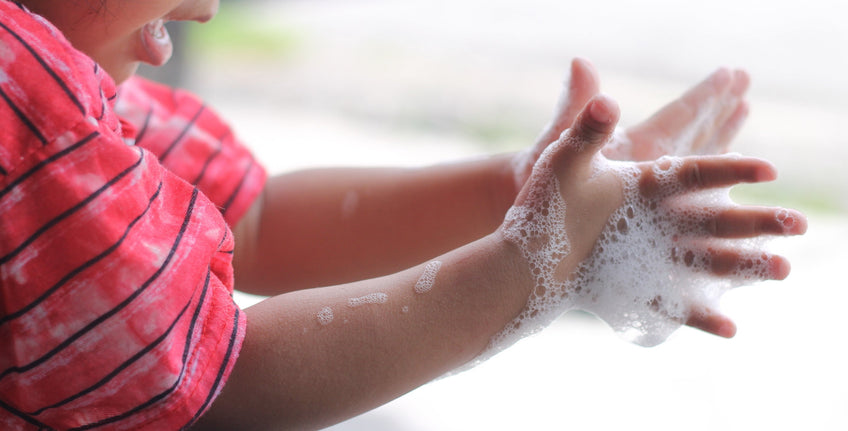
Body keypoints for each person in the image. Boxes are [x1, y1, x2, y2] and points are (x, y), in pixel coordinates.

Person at [0, 0, 806, 430]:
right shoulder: (24, 104)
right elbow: (223, 382)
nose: (204, 10)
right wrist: (527, 266)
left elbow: (256, 219)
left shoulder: (60, 87)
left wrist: (522, 194)